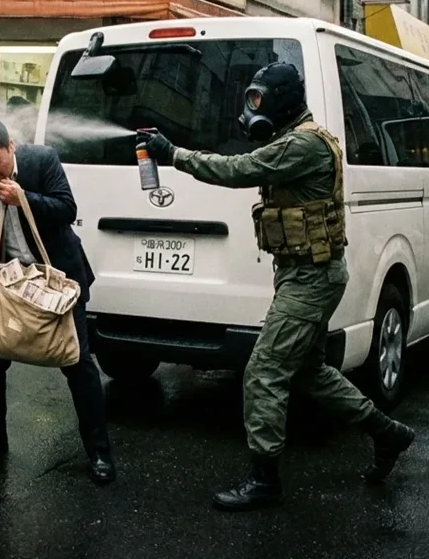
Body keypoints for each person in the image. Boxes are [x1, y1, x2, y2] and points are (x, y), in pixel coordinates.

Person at [138, 63, 414, 512]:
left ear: (282, 102)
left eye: (258, 100)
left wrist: (174, 155)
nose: (253, 109)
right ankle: (387, 433)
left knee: (263, 371)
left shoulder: (303, 145)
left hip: (310, 279)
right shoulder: (295, 139)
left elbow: (239, 168)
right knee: (308, 371)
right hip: (303, 275)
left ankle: (264, 481)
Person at [0, 117, 115, 485]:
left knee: (78, 363)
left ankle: (99, 452)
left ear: (10, 146)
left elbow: (67, 209)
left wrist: (25, 198)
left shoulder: (42, 160)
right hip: (8, 284)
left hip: (57, 278)